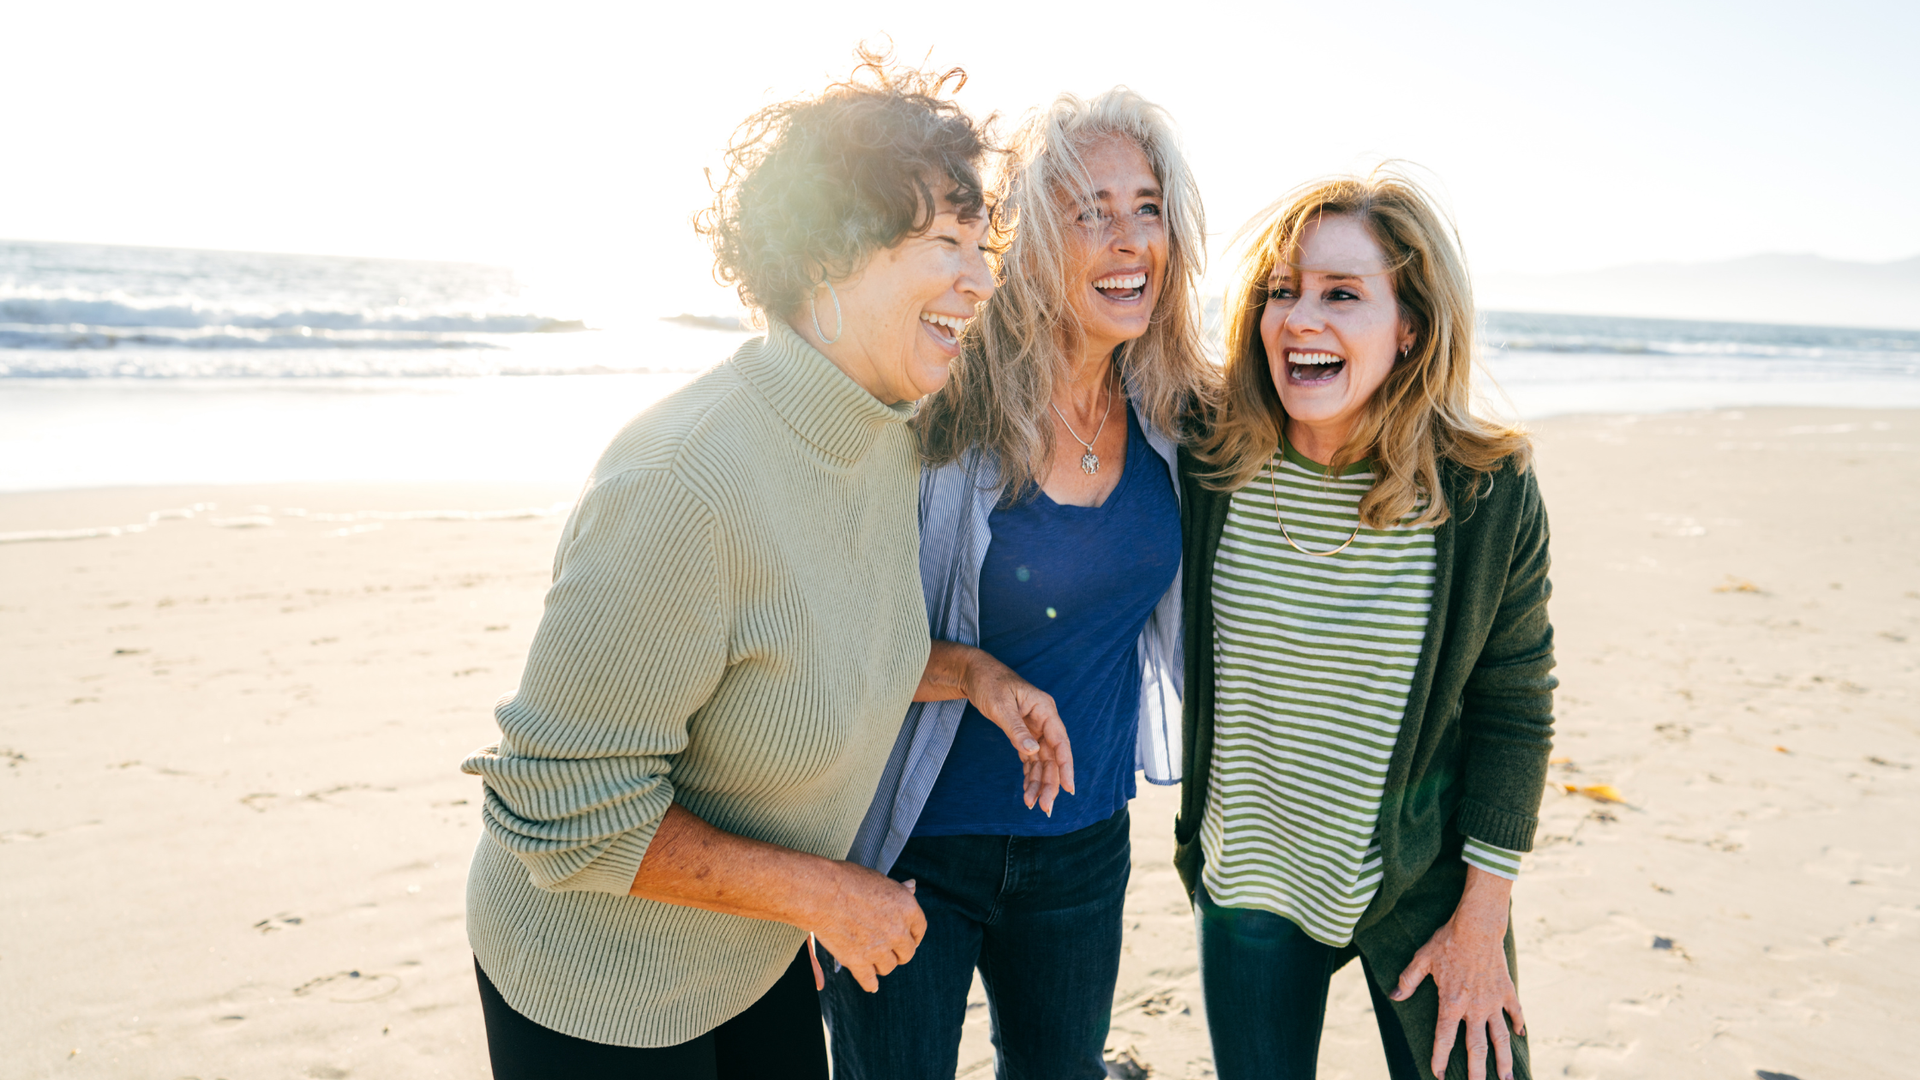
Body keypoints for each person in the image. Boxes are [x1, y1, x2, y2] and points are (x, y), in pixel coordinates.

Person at [457, 54, 1058, 1079]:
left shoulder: (882, 432)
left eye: (981, 242)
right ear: (829, 254)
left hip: (753, 956)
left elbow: (808, 641)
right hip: (597, 993)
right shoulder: (680, 485)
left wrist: (974, 677)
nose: (981, 275)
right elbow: (559, 811)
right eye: (947, 242)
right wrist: (822, 895)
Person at [821, 88, 1217, 1080]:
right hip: (913, 847)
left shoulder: (1177, 416)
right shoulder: (938, 408)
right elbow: (833, 646)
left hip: (1084, 841)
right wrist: (978, 673)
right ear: (1031, 237)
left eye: (1146, 206)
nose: (1128, 240)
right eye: (1090, 211)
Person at [1175, 172, 1556, 1080]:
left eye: (1342, 294)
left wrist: (1482, 916)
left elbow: (1516, 706)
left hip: (1422, 883)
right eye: (1281, 291)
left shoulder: (1485, 493)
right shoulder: (1206, 460)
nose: (1300, 319)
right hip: (1250, 886)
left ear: (1411, 326)